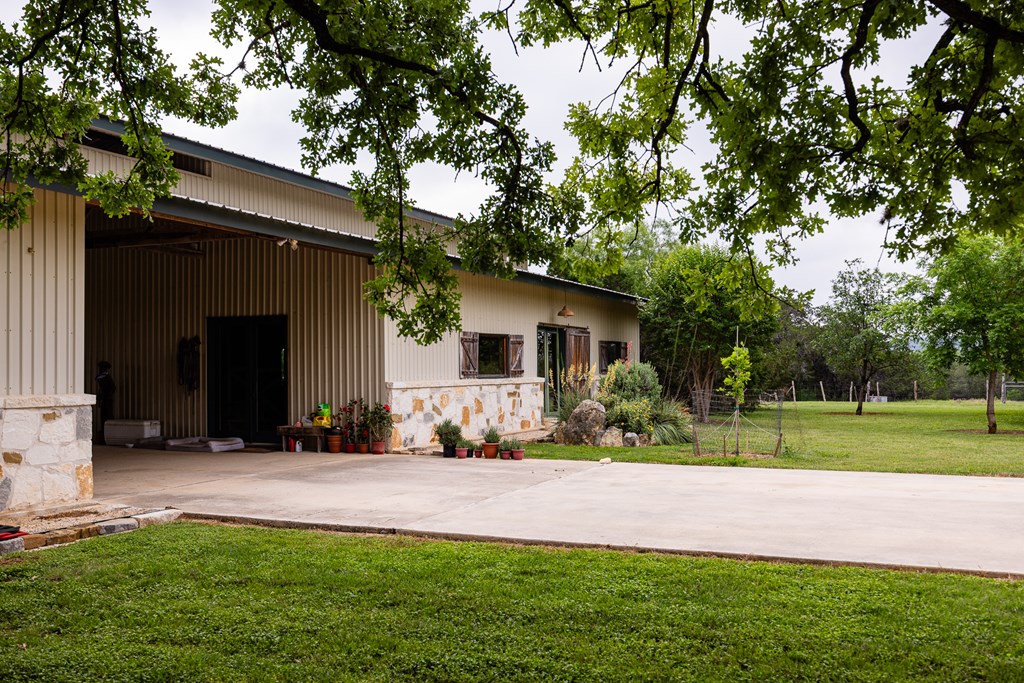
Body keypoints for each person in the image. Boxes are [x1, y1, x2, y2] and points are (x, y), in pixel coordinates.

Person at [96, 361, 115, 443]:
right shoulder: (103, 377)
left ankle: (107, 437)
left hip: (107, 400)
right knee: (104, 418)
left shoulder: (106, 377)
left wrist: (105, 396)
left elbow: (112, 388)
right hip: (105, 400)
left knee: (107, 418)